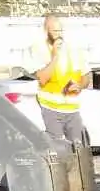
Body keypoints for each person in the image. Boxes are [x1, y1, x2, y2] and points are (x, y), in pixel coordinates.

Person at [35, 15, 87, 147]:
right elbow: (42, 79)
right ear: (46, 31)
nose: (59, 35)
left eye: (61, 31)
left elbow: (86, 75)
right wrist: (54, 56)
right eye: (55, 31)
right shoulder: (40, 50)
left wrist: (80, 85)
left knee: (78, 148)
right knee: (58, 149)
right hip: (51, 110)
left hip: (72, 110)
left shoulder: (73, 49)